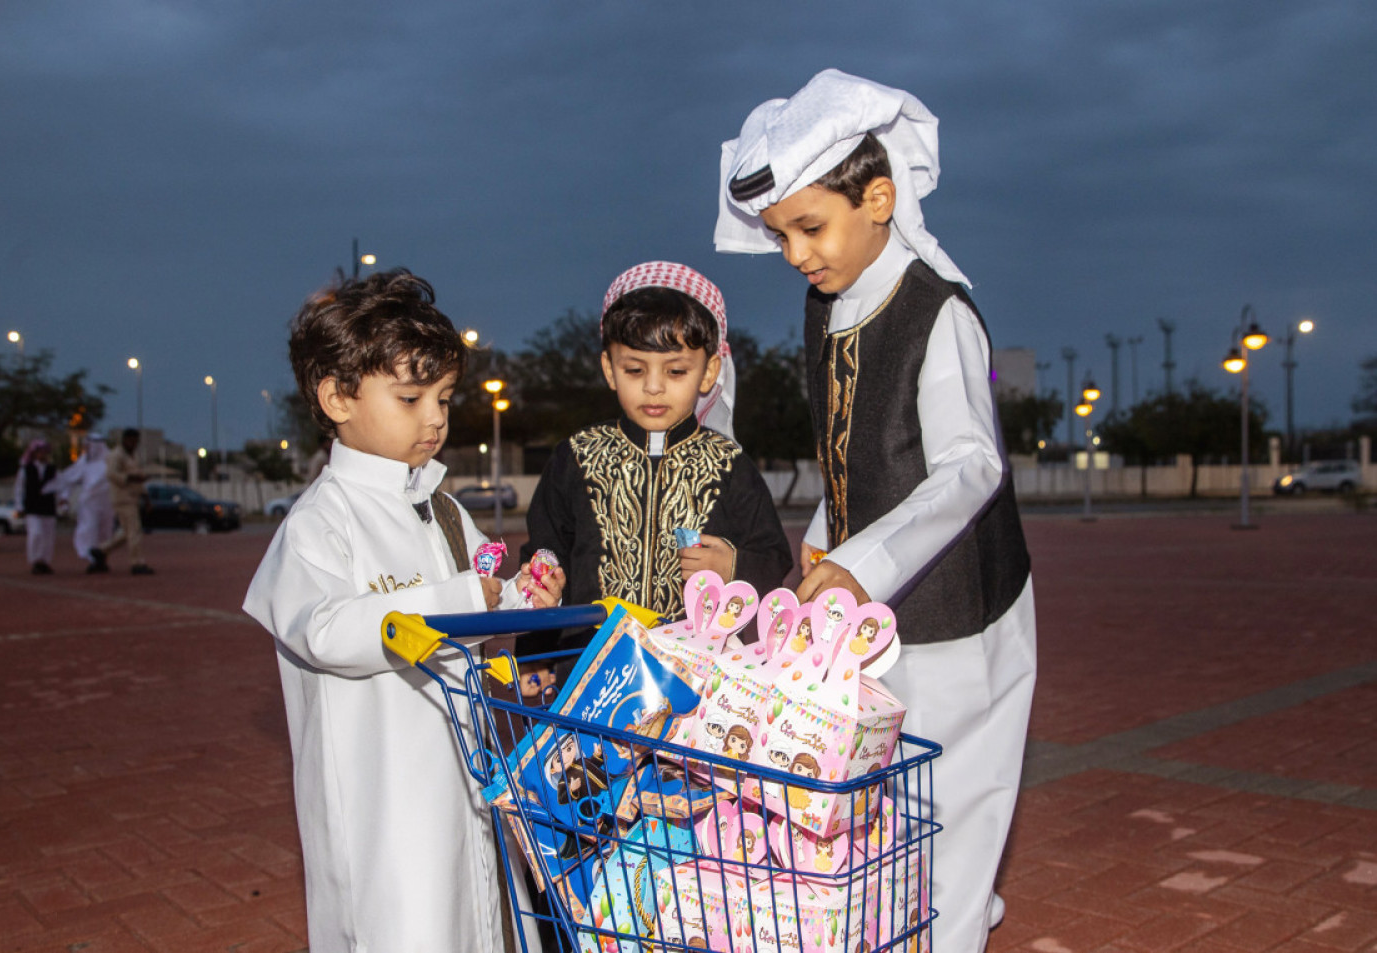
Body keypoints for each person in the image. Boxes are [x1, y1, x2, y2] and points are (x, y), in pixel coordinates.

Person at [715, 69, 1036, 953]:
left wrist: (860, 565)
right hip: (872, 607)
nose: (795, 253)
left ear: (880, 200)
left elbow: (971, 467)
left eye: (809, 227)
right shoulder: (826, 305)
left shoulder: (940, 314)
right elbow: (851, 457)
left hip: (964, 608)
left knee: (956, 804)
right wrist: (825, 546)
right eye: (780, 234)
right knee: (887, 804)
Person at [242, 269, 565, 953]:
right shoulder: (320, 523)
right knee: (402, 925)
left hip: (464, 773)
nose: (435, 419)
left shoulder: (441, 507)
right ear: (337, 397)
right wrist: (457, 602)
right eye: (411, 398)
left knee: (479, 915)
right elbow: (324, 629)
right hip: (383, 800)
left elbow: (485, 597)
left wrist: (524, 597)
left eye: (443, 398)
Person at [522, 261, 792, 638]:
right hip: (588, 662)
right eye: (635, 370)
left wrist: (733, 566)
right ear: (609, 369)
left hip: (697, 665)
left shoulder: (729, 464)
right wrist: (535, 650)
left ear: (709, 372)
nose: (653, 387)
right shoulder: (577, 457)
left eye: (675, 371)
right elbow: (545, 555)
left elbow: (773, 557)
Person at [48, 433, 114, 573]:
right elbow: (68, 479)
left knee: (105, 532)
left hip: (107, 503)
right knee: (88, 531)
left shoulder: (110, 460)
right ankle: (92, 558)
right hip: (89, 504)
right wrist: (64, 497)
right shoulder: (84, 462)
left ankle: (102, 558)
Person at [103, 428, 153, 575]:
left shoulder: (133, 456)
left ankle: (101, 550)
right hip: (122, 498)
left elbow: (139, 477)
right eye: (132, 441)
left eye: (136, 442)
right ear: (125, 440)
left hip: (133, 497)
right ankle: (137, 563)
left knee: (127, 532)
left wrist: (146, 497)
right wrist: (130, 478)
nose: (134, 444)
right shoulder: (116, 455)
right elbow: (111, 474)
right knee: (134, 530)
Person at [13, 439, 58, 574]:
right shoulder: (26, 469)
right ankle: (35, 560)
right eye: (39, 452)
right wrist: (19, 506)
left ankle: (45, 561)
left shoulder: (52, 469)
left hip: (48, 508)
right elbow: (19, 488)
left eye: (44, 452)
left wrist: (63, 500)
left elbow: (60, 485)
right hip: (32, 507)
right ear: (34, 453)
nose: (42, 454)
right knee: (36, 534)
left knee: (48, 537)